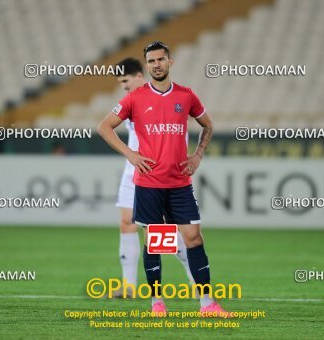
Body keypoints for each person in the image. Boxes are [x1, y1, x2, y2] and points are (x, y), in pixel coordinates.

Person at [98, 42, 230, 316]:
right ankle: (157, 303)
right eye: (151, 61)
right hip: (149, 183)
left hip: (180, 183)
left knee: (194, 238)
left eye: (160, 59)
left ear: (170, 61)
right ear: (146, 66)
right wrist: (131, 154)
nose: (156, 64)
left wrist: (198, 156)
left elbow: (208, 125)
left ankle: (207, 305)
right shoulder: (135, 97)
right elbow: (104, 126)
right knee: (157, 241)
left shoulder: (186, 95)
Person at [111, 57, 195, 298]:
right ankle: (128, 286)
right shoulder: (129, 101)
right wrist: (130, 155)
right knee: (127, 222)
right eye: (120, 82)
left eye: (125, 81)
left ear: (139, 75)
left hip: (155, 173)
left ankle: (195, 279)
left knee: (161, 232)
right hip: (133, 170)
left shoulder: (163, 97)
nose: (124, 86)